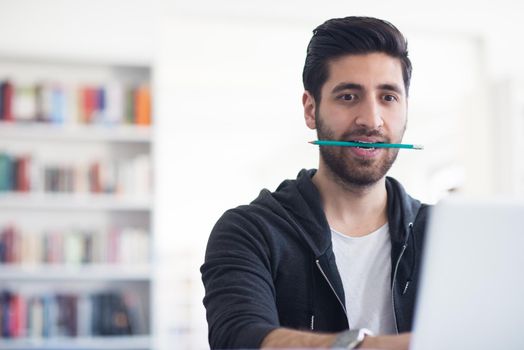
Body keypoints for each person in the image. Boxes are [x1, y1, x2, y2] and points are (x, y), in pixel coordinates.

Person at [201, 16, 429, 349]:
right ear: (311, 109)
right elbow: (238, 338)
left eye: (388, 97)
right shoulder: (249, 230)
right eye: (349, 97)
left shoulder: (442, 232)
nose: (371, 120)